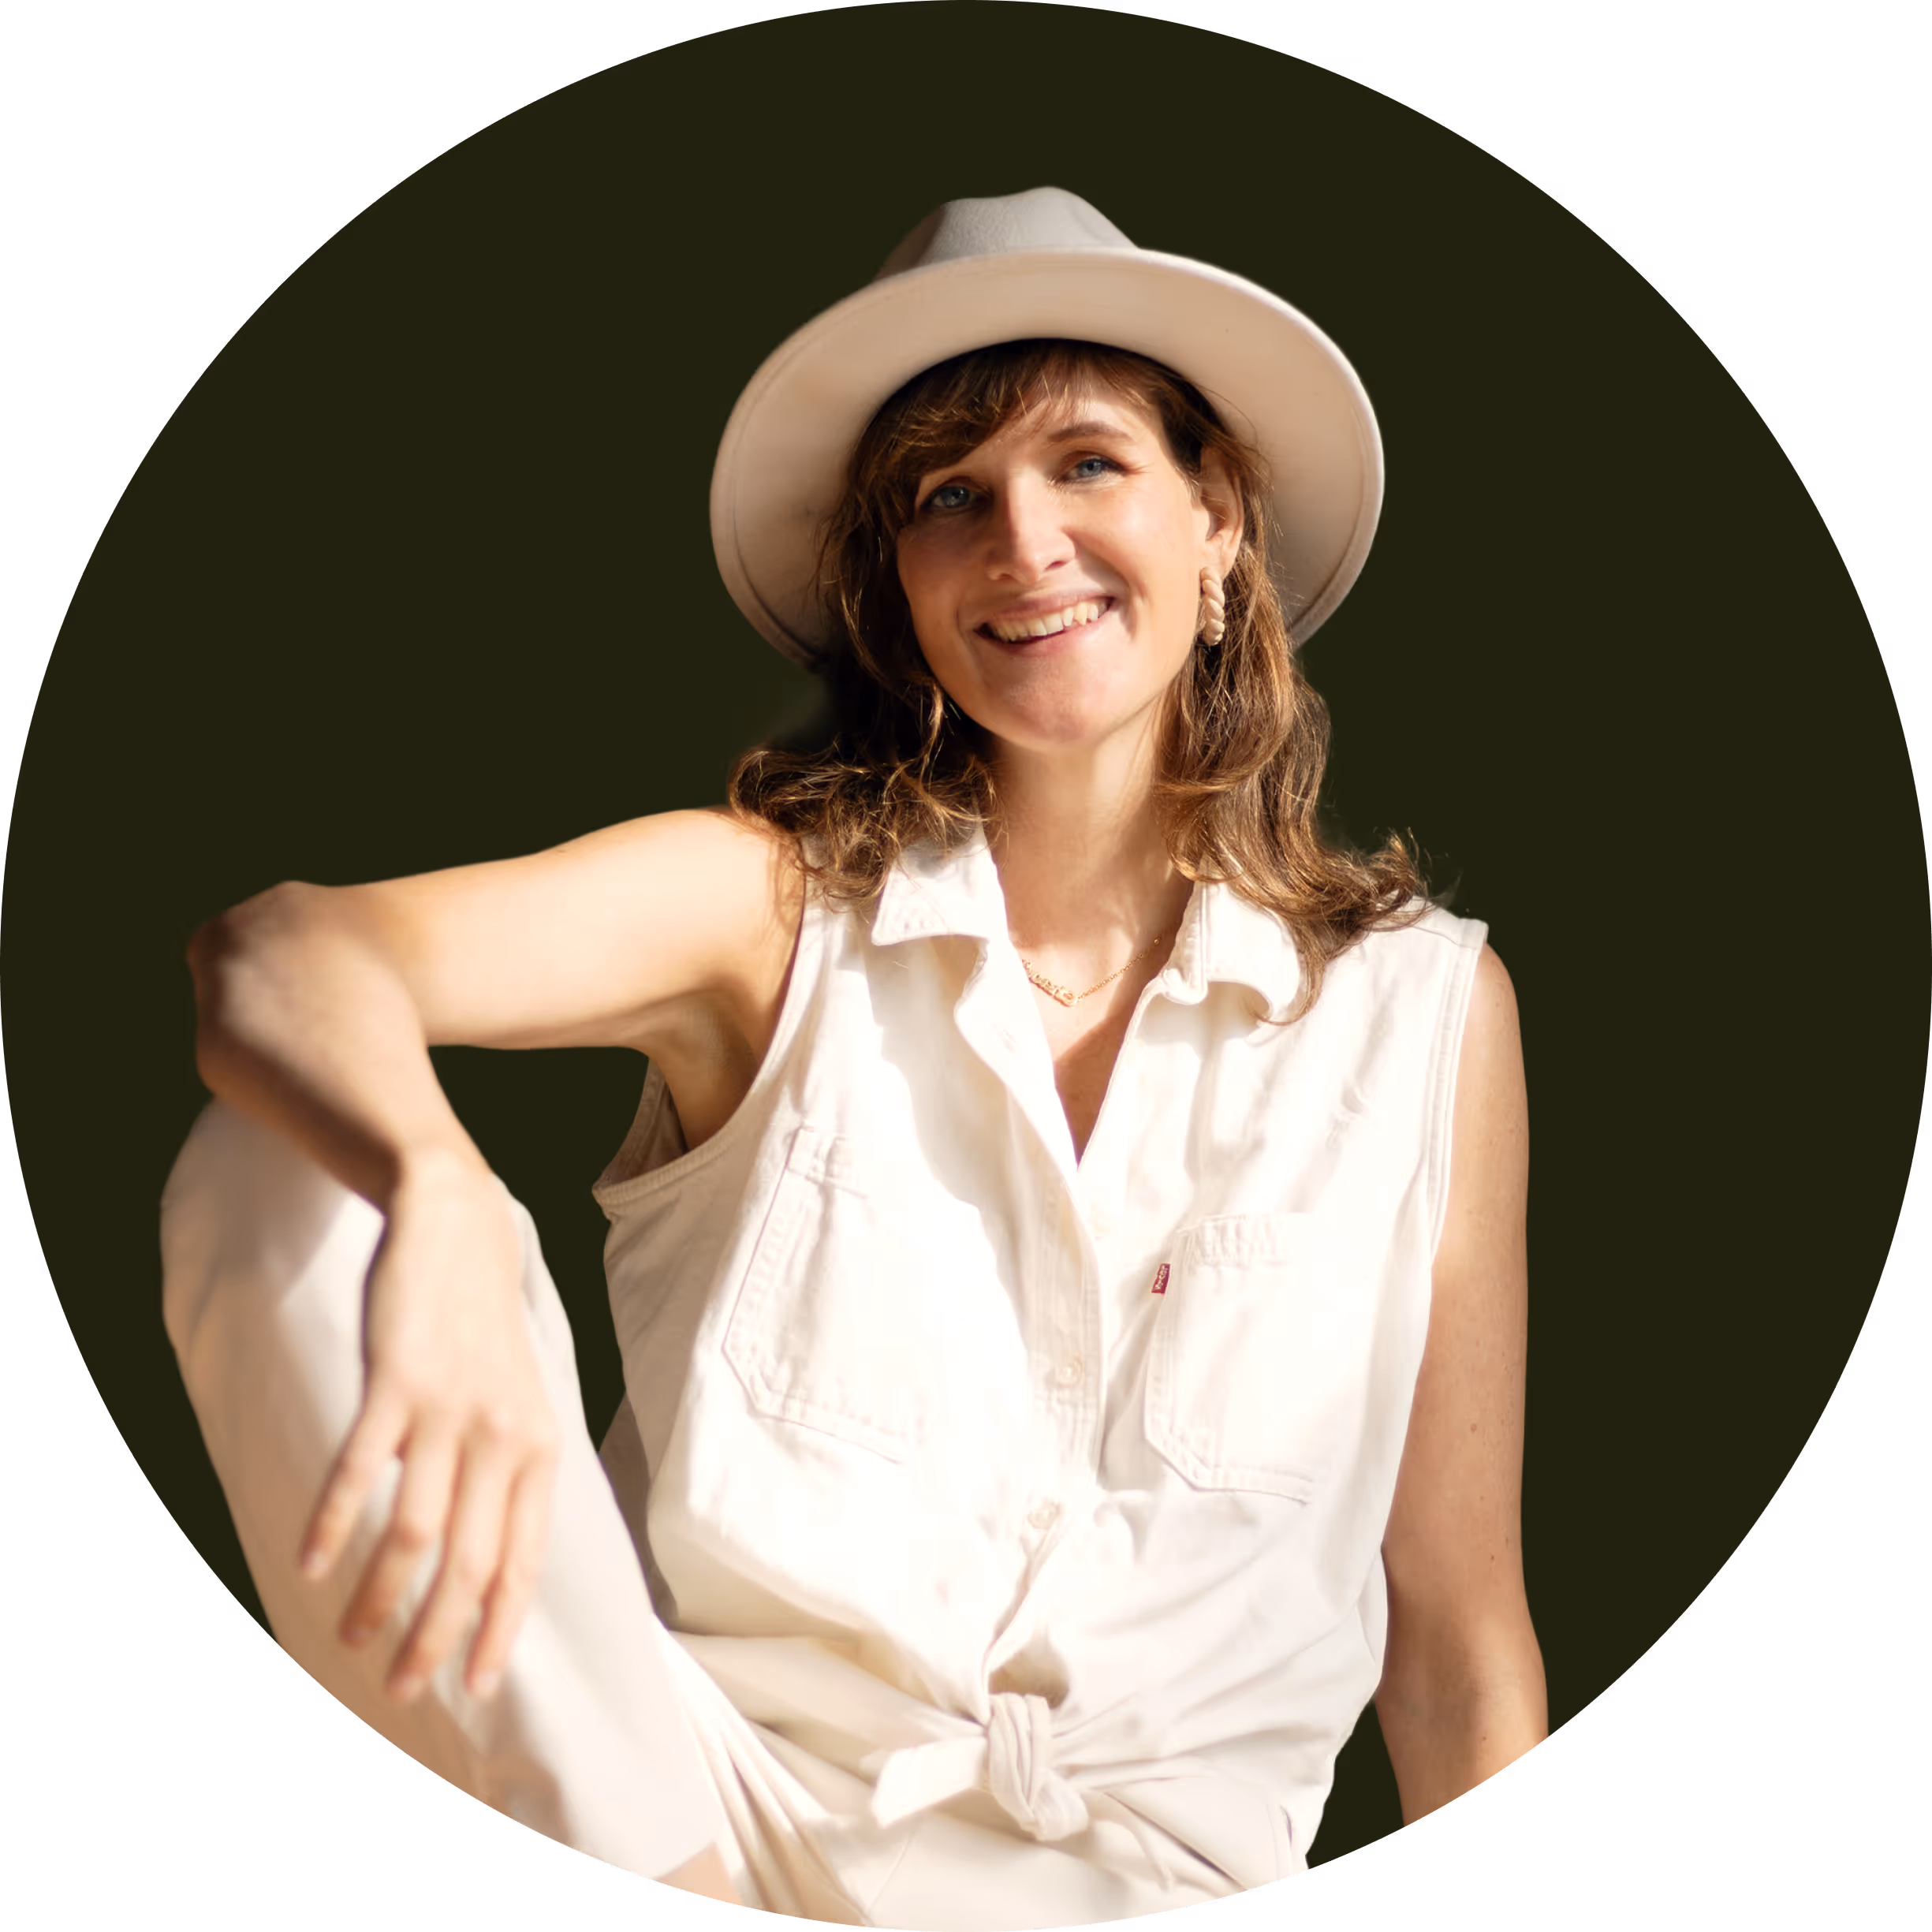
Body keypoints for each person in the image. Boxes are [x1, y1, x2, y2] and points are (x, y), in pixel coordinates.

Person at [162, 187, 1546, 1924]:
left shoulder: (1420, 1016)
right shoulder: (766, 911)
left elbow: (1457, 1645)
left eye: (1089, 463)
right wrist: (435, 1192)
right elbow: (284, 950)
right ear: (899, 595)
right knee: (280, 1167)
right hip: (693, 1817)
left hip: (1156, 1878)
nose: (1021, 541)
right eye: (947, 498)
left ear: (1219, 527)